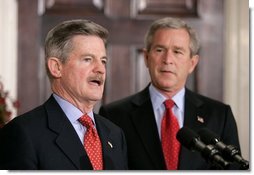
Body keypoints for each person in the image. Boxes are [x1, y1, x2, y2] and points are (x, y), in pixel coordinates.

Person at [99, 17, 241, 170]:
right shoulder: (113, 115)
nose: (168, 59)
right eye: (159, 50)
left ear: (192, 63)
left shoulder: (220, 115)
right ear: (146, 58)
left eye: (177, 51)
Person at [0, 19, 128, 170]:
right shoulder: (22, 133)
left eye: (103, 61)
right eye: (88, 59)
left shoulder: (114, 133)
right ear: (56, 67)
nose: (100, 69)